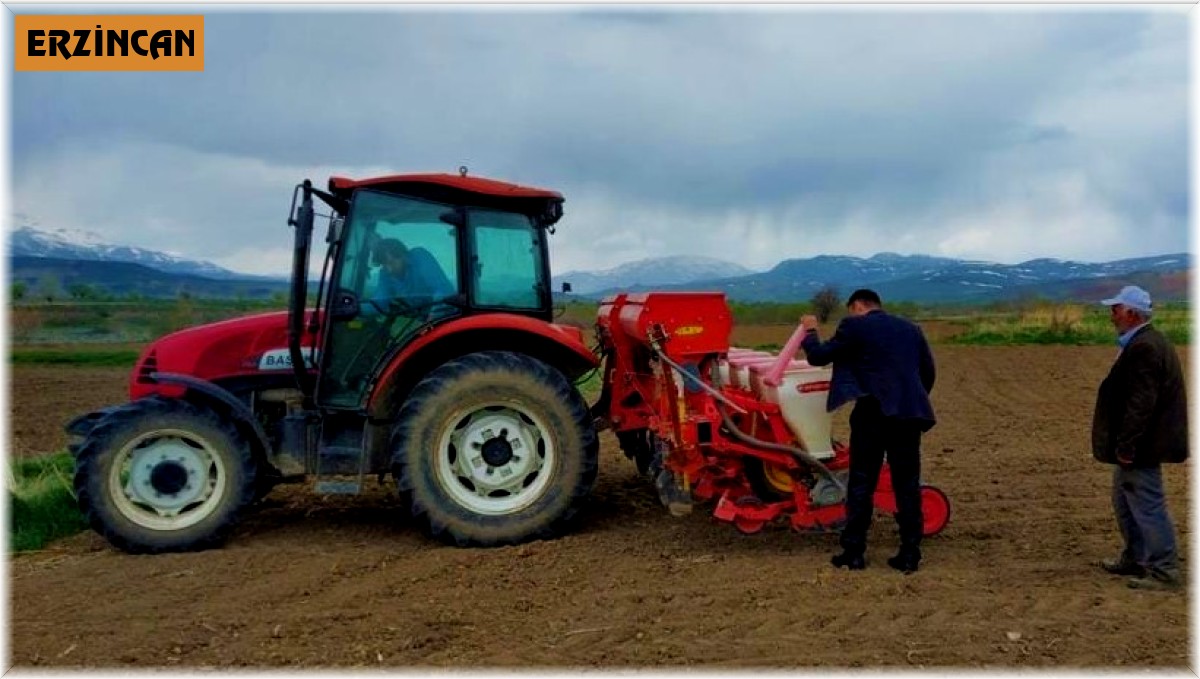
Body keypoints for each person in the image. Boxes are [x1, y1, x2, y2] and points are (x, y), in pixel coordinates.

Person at [800, 288, 936, 574]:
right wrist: (907, 399)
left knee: (862, 482)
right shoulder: (911, 329)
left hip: (873, 414)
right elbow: (927, 372)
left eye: (851, 310)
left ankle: (854, 552)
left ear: (857, 306)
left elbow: (819, 357)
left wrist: (810, 332)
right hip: (909, 415)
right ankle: (910, 554)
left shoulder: (855, 325)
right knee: (907, 485)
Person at [1092, 285, 1187, 591]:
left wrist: (1127, 446)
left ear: (1131, 313)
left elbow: (1141, 403)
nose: (1112, 315)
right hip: (1142, 443)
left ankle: (1164, 569)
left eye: (1116, 309)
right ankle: (1136, 556)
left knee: (1147, 505)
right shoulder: (1145, 342)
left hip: (1143, 445)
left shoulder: (1144, 348)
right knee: (1124, 501)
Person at [371, 238, 454, 308]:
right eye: (384, 265)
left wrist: (434, 315)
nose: (389, 269)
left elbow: (443, 290)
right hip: (422, 320)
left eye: (391, 263)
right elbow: (379, 302)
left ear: (402, 255)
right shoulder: (385, 274)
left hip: (445, 316)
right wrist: (359, 308)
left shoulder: (419, 257)